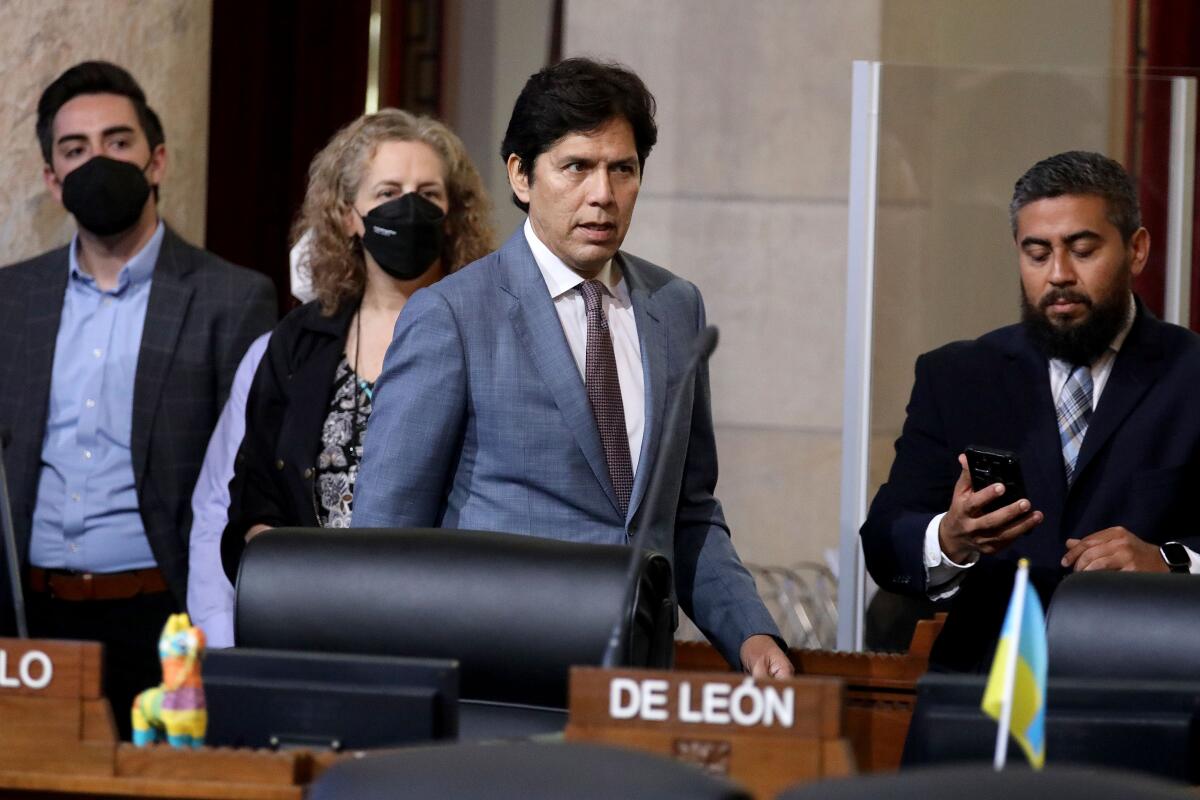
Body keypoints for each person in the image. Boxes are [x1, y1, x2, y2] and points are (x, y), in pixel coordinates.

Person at [352, 58, 792, 678]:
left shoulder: (675, 308)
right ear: (522, 175)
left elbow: (687, 513)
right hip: (497, 679)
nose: (603, 195)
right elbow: (385, 535)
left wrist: (751, 634)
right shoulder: (452, 314)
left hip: (637, 681)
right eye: (577, 167)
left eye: (623, 169)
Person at [0, 61, 275, 736]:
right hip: (32, 623)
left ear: (155, 161)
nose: (97, 161)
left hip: (163, 618)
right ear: (51, 178)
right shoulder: (11, 298)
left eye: (117, 142)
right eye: (74, 149)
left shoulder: (233, 299)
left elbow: (244, 480)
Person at [860, 150, 1200, 670]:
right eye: (1036, 254)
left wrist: (1170, 561)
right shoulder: (957, 377)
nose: (1058, 275)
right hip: (985, 695)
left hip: (1147, 690)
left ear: (1136, 249)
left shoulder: (1190, 374)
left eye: (1082, 251)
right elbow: (886, 540)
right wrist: (949, 538)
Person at [218, 109, 496, 583]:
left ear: (451, 216)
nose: (409, 208)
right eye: (387, 193)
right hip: (313, 609)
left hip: (443, 603)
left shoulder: (488, 331)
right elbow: (255, 493)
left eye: (428, 194)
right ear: (349, 216)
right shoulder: (300, 339)